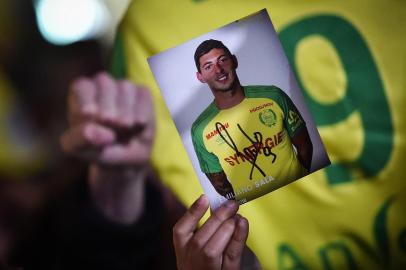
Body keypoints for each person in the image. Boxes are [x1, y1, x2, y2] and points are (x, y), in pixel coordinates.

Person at [191, 39, 313, 202]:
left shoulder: (273, 96)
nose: (218, 70)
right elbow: (220, 185)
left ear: (234, 61)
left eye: (223, 60)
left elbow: (305, 146)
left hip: (301, 194)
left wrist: (300, 181)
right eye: (208, 66)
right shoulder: (200, 129)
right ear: (201, 77)